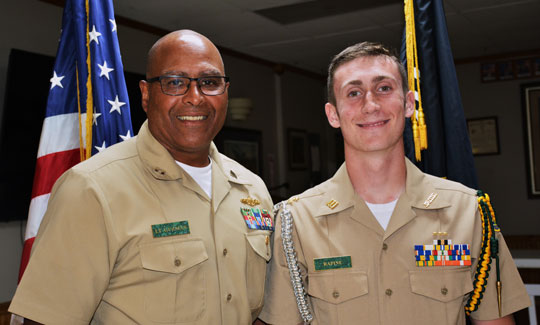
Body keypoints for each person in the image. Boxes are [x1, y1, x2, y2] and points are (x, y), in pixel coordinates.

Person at [9, 30, 273, 324]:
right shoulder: (92, 189)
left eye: (210, 83)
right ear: (147, 95)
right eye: (175, 83)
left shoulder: (252, 189)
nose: (195, 98)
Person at [258, 42, 530, 325]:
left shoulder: (468, 212)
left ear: (409, 103)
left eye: (384, 88)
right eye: (353, 93)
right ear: (333, 115)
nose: (371, 104)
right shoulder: (296, 223)